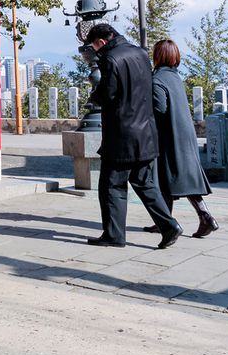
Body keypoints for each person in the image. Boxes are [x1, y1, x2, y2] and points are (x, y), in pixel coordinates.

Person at [83, 22, 182, 249]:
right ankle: (169, 226)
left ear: (101, 42)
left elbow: (108, 93)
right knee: (146, 184)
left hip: (122, 135)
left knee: (111, 186)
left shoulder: (110, 59)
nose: (95, 51)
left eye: (94, 47)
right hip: (146, 132)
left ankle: (114, 235)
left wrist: (94, 95)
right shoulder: (141, 53)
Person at [146, 39, 220, 238]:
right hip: (185, 133)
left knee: (170, 176)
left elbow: (160, 109)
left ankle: (204, 217)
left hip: (169, 135)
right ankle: (166, 221)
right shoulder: (175, 77)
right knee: (178, 177)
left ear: (157, 56)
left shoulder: (157, 79)